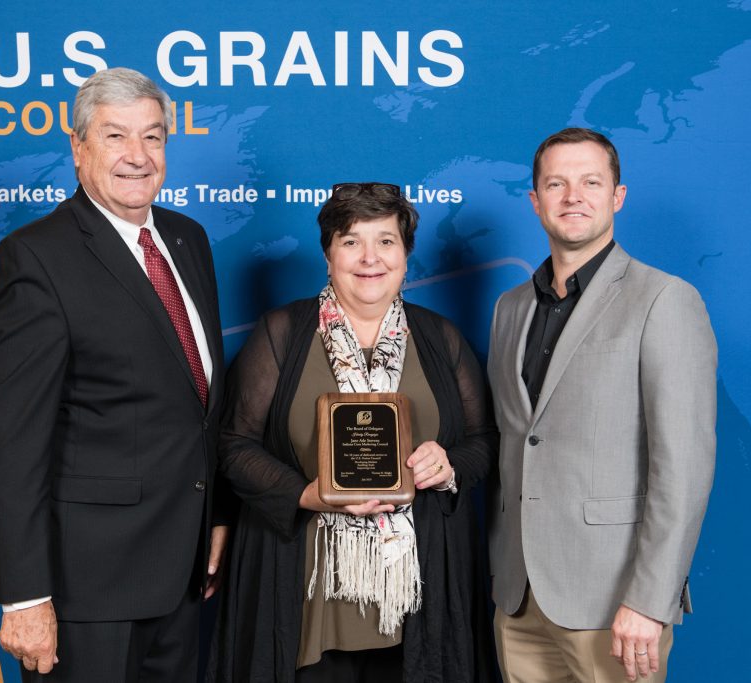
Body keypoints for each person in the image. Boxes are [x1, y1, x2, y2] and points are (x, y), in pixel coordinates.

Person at [0, 67, 228, 682]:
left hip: (184, 571)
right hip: (86, 591)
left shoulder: (188, 239)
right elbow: (12, 442)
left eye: (154, 137)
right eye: (116, 137)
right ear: (79, 147)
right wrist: (25, 596)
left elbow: (194, 404)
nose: (138, 157)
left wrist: (215, 513)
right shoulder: (37, 257)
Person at [206, 183, 496, 682]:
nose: (370, 258)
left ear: (406, 254)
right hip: (304, 584)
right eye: (350, 241)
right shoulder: (282, 332)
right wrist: (305, 495)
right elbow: (233, 445)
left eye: (385, 241)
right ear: (328, 254)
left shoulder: (441, 337)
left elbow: (483, 439)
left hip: (417, 588)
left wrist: (449, 466)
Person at [487, 128, 717, 683]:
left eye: (591, 182)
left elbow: (682, 470)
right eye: (556, 183)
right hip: (519, 599)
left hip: (615, 603)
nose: (573, 196)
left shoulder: (664, 299)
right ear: (535, 200)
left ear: (617, 196)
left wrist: (650, 600)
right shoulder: (509, 308)